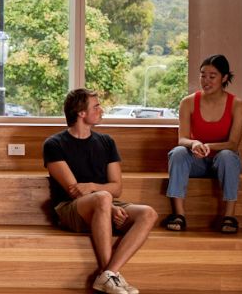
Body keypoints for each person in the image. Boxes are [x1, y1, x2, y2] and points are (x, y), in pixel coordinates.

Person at [43, 89, 157, 294]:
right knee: (103, 198)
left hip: (104, 203)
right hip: (71, 209)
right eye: (96, 107)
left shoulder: (106, 142)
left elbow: (117, 188)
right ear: (81, 113)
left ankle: (109, 274)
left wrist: (95, 188)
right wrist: (108, 205)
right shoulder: (54, 144)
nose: (101, 110)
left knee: (148, 213)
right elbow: (74, 191)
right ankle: (109, 276)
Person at [164, 54, 242, 234]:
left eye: (212, 76)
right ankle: (179, 214)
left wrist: (208, 146)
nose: (206, 80)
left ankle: (229, 216)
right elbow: (182, 139)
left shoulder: (238, 105)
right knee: (178, 152)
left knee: (227, 156)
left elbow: (233, 144)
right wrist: (194, 143)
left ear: (224, 78)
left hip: (223, 163)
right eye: (203, 75)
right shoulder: (188, 102)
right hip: (197, 162)